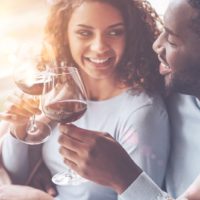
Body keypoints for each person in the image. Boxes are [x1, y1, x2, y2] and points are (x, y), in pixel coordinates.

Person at [0, 0, 170, 200]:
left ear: (131, 36)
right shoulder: (58, 95)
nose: (99, 47)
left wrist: (38, 199)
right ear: (64, 35)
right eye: (84, 33)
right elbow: (16, 176)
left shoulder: (141, 114)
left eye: (114, 32)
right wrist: (20, 126)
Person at [55, 0, 200, 199]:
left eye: (172, 41)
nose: (156, 45)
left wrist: (124, 177)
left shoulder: (146, 109)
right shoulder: (173, 86)